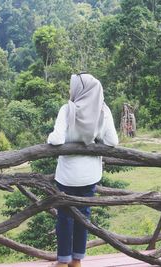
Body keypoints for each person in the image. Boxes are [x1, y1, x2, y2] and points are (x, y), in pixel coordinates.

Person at [47, 73, 118, 267]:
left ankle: (62, 261)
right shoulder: (103, 111)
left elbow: (57, 139)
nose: (70, 90)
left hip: (67, 177)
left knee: (64, 218)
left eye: (72, 86)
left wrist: (50, 138)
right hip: (90, 176)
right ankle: (77, 260)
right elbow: (112, 141)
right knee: (83, 216)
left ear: (80, 89)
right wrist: (94, 139)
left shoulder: (66, 109)